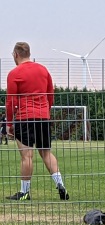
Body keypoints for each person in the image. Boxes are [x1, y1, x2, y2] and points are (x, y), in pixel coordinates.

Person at [5, 42, 69, 201]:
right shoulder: (43, 70)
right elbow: (50, 95)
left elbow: (10, 101)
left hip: (25, 118)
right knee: (46, 153)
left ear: (15, 55)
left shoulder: (14, 73)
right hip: (43, 116)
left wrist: (9, 124)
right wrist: (46, 112)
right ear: (29, 53)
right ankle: (60, 184)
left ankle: (24, 192)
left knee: (27, 156)